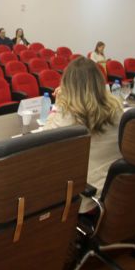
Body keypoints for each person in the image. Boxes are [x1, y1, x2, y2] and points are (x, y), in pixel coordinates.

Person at [41, 57, 122, 212]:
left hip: (87, 196)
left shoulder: (69, 116)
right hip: (115, 188)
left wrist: (59, 104)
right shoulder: (117, 109)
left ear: (68, 85)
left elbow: (44, 141)